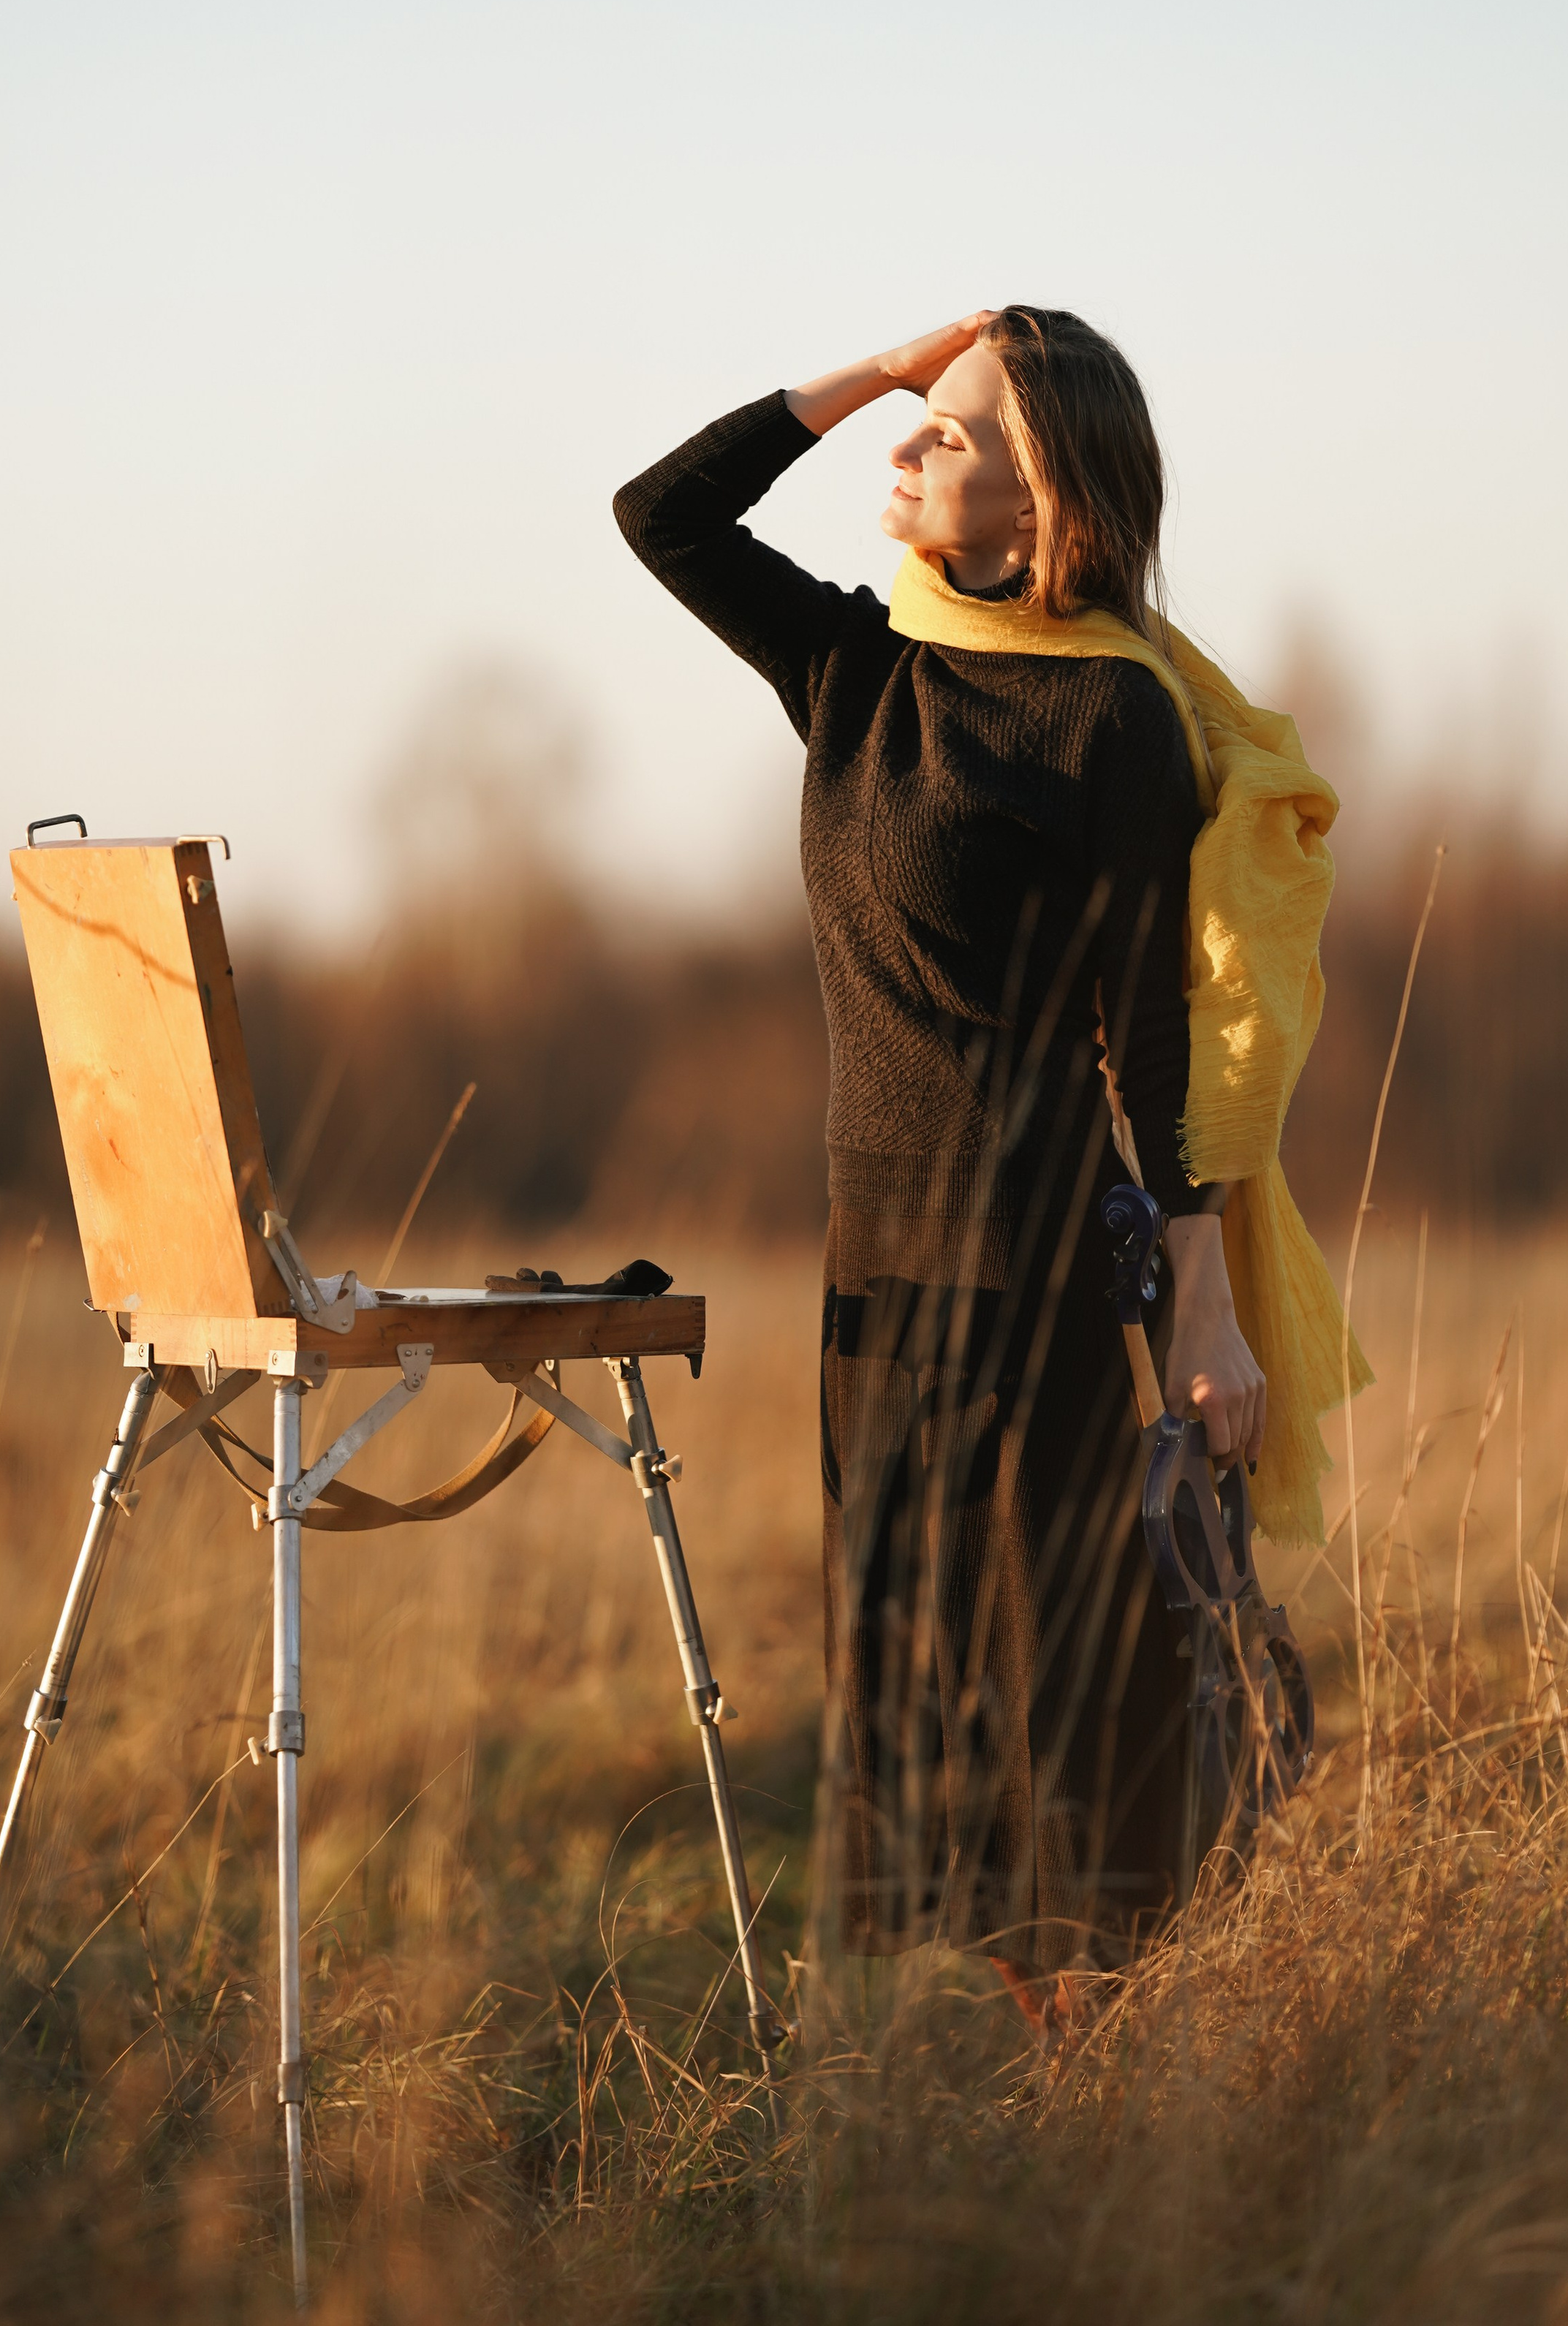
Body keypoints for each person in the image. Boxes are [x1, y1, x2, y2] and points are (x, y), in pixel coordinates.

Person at [615, 308, 1270, 2034]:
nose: (903, 453)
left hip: (1038, 1269)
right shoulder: (853, 669)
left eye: (949, 434)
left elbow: (1152, 1036)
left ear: (1043, 497)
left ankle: (1119, 2085)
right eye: (914, 426)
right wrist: (879, 371)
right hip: (874, 1276)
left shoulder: (1109, 724)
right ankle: (1066, 2078)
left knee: (1051, 1702)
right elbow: (660, 517)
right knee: (919, 1697)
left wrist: (1203, 1309)